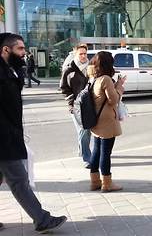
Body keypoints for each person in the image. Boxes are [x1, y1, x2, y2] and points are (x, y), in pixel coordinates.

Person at [0, 33, 67, 233]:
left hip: (9, 134)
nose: (24, 53)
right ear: (6, 50)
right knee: (19, 179)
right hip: (3, 138)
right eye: (20, 49)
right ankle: (42, 219)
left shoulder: (10, 70)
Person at [88, 51, 126, 192]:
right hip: (107, 120)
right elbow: (113, 100)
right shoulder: (106, 79)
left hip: (96, 118)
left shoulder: (93, 77)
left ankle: (95, 181)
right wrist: (120, 88)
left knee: (96, 151)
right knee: (106, 153)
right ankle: (107, 183)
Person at [60, 44, 92, 168]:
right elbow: (64, 88)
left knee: (86, 131)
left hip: (89, 105)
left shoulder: (91, 67)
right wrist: (72, 103)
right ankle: (87, 158)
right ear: (75, 54)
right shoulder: (69, 69)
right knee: (83, 130)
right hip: (76, 106)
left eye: (85, 53)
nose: (83, 56)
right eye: (81, 54)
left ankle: (82, 150)